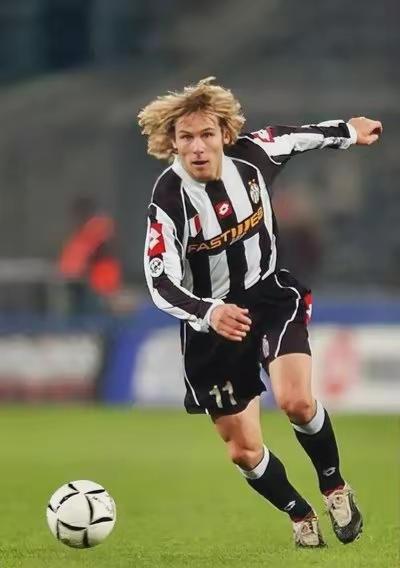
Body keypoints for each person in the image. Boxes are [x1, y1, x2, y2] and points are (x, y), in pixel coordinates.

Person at [139, 78, 382, 548]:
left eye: (206, 134)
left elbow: (298, 136)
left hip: (269, 298)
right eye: (186, 138)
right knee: (244, 450)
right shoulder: (168, 199)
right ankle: (299, 512)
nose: (197, 147)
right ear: (173, 143)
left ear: (224, 135)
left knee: (297, 401)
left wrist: (348, 132)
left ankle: (334, 486)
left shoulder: (254, 155)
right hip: (212, 325)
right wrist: (209, 312)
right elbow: (160, 282)